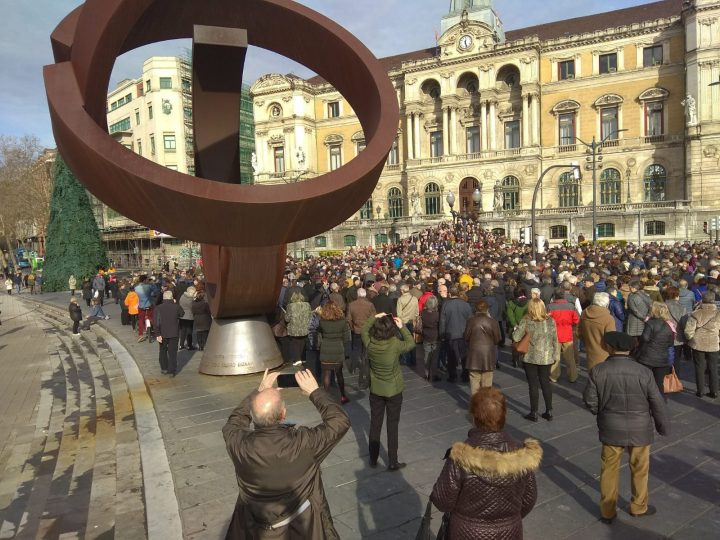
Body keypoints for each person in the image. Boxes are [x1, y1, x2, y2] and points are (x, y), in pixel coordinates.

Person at [222, 370, 350, 539]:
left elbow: (234, 421)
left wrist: (258, 391)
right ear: (283, 415)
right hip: (301, 527)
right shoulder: (302, 444)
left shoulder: (238, 444)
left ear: (252, 416)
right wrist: (315, 391)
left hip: (254, 527)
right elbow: (340, 421)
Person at [431, 388, 540, 539]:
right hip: (509, 533)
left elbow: (441, 500)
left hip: (467, 533)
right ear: (504, 416)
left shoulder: (461, 456)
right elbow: (529, 499)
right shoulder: (521, 454)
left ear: (474, 417)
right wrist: (508, 518)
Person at [583, 331, 669, 524]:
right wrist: (663, 427)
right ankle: (638, 507)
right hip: (640, 429)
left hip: (611, 428)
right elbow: (657, 402)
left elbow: (590, 400)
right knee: (640, 469)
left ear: (610, 348)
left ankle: (607, 510)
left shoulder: (598, 370)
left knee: (609, 469)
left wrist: (600, 412)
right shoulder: (644, 372)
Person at [362, 312, 415, 470]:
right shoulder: (394, 343)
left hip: (376, 390)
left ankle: (372, 458)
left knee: (375, 424)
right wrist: (403, 327)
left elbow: (364, 330)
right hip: (394, 390)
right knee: (393, 426)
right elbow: (411, 343)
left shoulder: (370, 343)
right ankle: (392, 461)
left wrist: (374, 317)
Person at [512, 298, 559, 422]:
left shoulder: (526, 320)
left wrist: (516, 329)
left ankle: (534, 413)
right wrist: (555, 355)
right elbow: (555, 339)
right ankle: (549, 411)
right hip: (547, 356)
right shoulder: (551, 321)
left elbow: (516, 337)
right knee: (546, 383)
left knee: (533, 385)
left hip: (530, 357)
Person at [684, 290, 720, 399]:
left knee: (699, 367)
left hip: (697, 343)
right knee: (713, 368)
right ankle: (714, 392)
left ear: (702, 300)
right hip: (713, 343)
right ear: (713, 300)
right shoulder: (718, 313)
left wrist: (691, 339)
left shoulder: (696, 313)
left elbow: (688, 331)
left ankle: (700, 391)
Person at [636, 302, 675, 399]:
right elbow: (670, 343)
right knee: (659, 383)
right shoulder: (669, 325)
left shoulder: (650, 323)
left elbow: (645, 338)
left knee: (645, 381)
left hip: (647, 357)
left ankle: (644, 400)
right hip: (662, 358)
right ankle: (660, 402)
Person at [464, 300, 501, 394]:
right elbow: (497, 339)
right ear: (487, 309)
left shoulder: (471, 321)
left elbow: (466, 337)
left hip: (474, 354)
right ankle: (485, 403)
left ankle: (475, 404)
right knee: (487, 381)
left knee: (474, 380)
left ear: (475, 309)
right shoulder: (493, 322)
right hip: (488, 355)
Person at [317, 301, 351, 403]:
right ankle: (343, 396)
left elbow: (319, 337)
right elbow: (347, 337)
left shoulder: (322, 322)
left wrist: (319, 346)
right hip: (338, 348)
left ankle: (327, 399)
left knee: (326, 375)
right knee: (339, 374)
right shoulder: (343, 321)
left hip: (326, 348)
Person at [439, 286, 473, 382]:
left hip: (451, 334)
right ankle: (465, 374)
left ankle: (452, 375)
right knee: (464, 356)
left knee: (451, 356)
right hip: (463, 334)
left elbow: (442, 321)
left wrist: (442, 334)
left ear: (450, 294)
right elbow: (470, 320)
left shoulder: (446, 305)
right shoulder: (465, 304)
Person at [547, 290, 580, 383]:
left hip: (554, 335)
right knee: (570, 358)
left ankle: (554, 376)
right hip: (567, 334)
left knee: (555, 357)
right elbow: (576, 320)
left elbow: (547, 320)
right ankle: (572, 376)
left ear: (554, 297)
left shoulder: (550, 307)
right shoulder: (571, 306)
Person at [579, 292, 617, 372]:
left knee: (592, 375)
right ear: (606, 304)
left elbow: (579, 333)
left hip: (590, 350)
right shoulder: (608, 318)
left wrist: (587, 342)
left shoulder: (584, 313)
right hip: (604, 354)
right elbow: (611, 340)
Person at [346, 288, 376, 380]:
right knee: (366, 349)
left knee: (356, 349)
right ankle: (365, 366)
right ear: (365, 295)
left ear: (358, 295)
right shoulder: (370, 305)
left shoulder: (351, 305)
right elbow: (374, 317)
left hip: (356, 330)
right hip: (367, 330)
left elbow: (348, 319)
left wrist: (352, 327)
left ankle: (354, 367)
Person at [154, 290, 184, 376]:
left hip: (162, 333)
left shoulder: (158, 308)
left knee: (162, 351)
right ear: (171, 298)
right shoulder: (176, 307)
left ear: (163, 298)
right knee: (172, 352)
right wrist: (175, 303)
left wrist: (157, 334)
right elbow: (182, 314)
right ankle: (172, 370)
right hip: (174, 332)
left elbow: (156, 322)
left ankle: (164, 368)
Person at [285, 292, 312, 366]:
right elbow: (310, 316)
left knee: (295, 343)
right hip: (305, 327)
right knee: (302, 342)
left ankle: (297, 360)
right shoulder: (307, 305)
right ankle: (303, 358)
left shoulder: (290, 306)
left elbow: (287, 319)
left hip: (294, 328)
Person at [507, 287, 529, 367]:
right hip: (526, 325)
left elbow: (510, 315)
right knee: (525, 343)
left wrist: (514, 325)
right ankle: (524, 360)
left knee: (515, 343)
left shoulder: (511, 303)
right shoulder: (528, 302)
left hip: (515, 326)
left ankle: (515, 360)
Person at [420, 295, 441, 381]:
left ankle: (426, 373)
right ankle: (434, 374)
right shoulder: (437, 314)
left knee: (426, 354)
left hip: (426, 335)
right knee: (434, 356)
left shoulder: (423, 313)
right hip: (435, 335)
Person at [178, 285, 196, 350]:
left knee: (183, 331)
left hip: (182, 316)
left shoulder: (182, 296)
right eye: (194, 292)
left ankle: (181, 345)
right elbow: (192, 307)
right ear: (191, 292)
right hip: (189, 317)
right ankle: (189, 345)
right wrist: (194, 299)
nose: (194, 294)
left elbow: (180, 303)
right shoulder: (191, 299)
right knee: (189, 332)